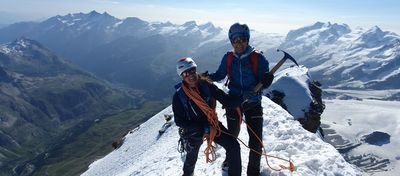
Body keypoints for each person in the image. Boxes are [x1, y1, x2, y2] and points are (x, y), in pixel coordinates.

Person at [206, 23, 274, 176]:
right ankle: (230, 160)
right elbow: (220, 75)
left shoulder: (258, 58)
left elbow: (264, 81)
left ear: (247, 40)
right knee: (232, 136)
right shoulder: (228, 58)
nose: (239, 43)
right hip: (234, 102)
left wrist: (267, 81)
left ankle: (253, 172)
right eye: (235, 40)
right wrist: (206, 77)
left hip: (253, 102)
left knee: (256, 142)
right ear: (231, 42)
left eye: (242, 39)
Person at [173, 57, 242, 176]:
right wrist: (200, 127)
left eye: (192, 71)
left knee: (234, 146)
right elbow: (179, 121)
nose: (190, 76)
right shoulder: (179, 96)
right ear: (182, 76)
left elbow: (225, 100)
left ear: (196, 70)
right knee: (191, 159)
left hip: (212, 124)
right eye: (186, 73)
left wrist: (241, 98)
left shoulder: (207, 86)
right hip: (194, 129)